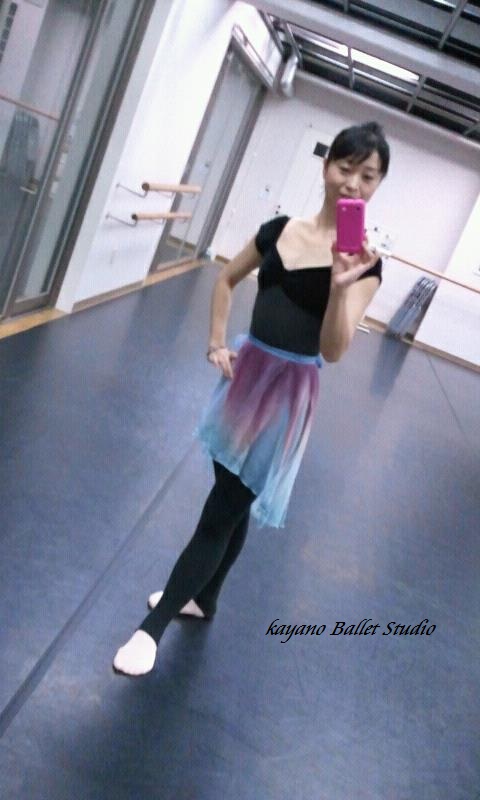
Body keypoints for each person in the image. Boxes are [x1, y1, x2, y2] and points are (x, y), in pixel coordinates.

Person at [113, 120, 390, 676]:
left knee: (221, 510)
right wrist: (216, 342)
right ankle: (205, 599)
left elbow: (334, 351)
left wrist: (340, 289)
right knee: (232, 495)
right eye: (346, 168)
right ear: (326, 167)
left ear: (377, 185)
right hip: (246, 376)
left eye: (368, 176)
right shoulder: (279, 230)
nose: (353, 184)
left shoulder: (365, 263)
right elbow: (225, 280)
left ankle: (153, 627)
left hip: (287, 394)